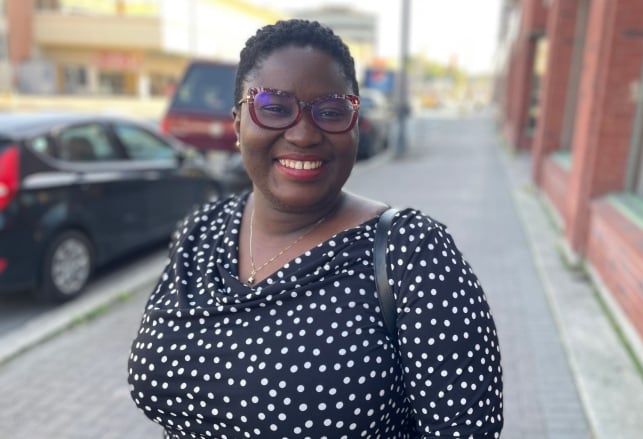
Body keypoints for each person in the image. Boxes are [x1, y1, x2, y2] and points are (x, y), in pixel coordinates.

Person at [128, 19, 503, 438]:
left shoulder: (412, 256)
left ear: (355, 126)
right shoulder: (201, 232)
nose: (304, 134)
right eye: (273, 107)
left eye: (331, 111)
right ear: (238, 125)